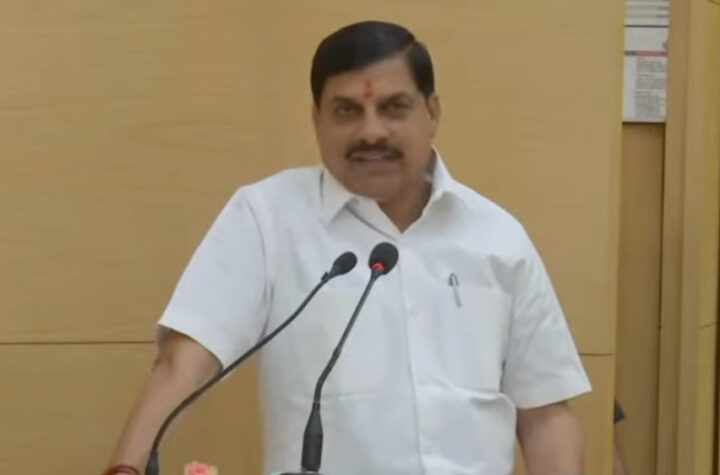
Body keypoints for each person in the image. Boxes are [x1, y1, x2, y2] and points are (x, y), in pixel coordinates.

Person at [105, 21, 591, 475]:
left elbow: (545, 415)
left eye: (394, 108)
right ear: (317, 119)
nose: (371, 132)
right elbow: (183, 362)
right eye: (346, 111)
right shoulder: (268, 218)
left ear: (432, 113)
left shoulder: (497, 238)